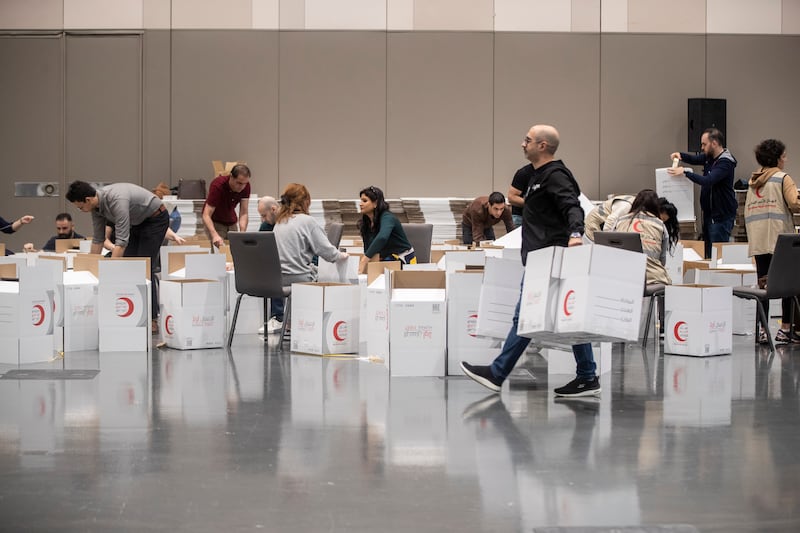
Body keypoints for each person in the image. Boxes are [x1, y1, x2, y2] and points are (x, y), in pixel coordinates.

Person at [461, 124, 600, 398]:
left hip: (549, 257)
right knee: (564, 318)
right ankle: (587, 376)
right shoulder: (535, 176)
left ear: (542, 146)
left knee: (524, 316)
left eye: (527, 140)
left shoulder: (556, 175)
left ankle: (497, 373)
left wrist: (575, 233)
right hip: (541, 256)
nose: (522, 144)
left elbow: (572, 205)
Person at [66, 180, 169, 331]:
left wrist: (109, 273)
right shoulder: (96, 208)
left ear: (88, 200)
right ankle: (134, 311)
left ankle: (152, 318)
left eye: (81, 207)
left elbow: (121, 242)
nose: (81, 210)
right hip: (137, 222)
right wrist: (89, 271)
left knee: (144, 268)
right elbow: (98, 239)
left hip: (155, 219)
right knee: (129, 265)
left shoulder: (117, 200)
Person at [744, 139, 800, 344]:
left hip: (759, 241)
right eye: (784, 156)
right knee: (788, 285)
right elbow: (794, 203)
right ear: (777, 158)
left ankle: (762, 329)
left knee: (764, 286)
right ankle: (785, 329)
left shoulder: (753, 182)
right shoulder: (782, 178)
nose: (785, 160)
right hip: (780, 240)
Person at [273, 183, 348, 318]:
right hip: (299, 278)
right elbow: (327, 253)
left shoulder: (279, 223)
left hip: (277, 279)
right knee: (334, 281)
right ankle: (327, 323)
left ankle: (290, 321)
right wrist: (342, 255)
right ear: (306, 201)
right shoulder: (308, 221)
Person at [668, 127, 737, 258]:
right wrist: (680, 155)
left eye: (704, 144)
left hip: (721, 216)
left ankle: (717, 277)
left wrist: (685, 173)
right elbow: (696, 159)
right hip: (709, 214)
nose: (702, 147)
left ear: (714, 143)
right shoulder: (710, 157)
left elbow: (708, 180)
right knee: (708, 253)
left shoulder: (725, 162)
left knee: (717, 255)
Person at [608, 189, 672, 285]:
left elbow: (610, 249)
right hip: (653, 279)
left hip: (623, 276)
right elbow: (662, 260)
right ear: (655, 206)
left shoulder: (620, 221)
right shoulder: (660, 225)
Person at [357, 186, 415, 274]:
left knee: (380, 274)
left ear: (375, 203)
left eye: (365, 201)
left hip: (402, 258)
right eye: (361, 200)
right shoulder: (366, 222)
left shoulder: (387, 217)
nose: (360, 204)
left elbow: (382, 237)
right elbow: (368, 249)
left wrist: (364, 260)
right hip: (384, 258)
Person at [202, 164, 251, 248]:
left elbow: (244, 212)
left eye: (244, 183)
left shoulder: (246, 186)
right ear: (231, 177)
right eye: (239, 183)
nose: (242, 187)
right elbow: (206, 214)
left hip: (231, 222)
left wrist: (242, 233)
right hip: (215, 222)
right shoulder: (218, 185)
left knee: (236, 251)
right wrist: (214, 235)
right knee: (219, 252)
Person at [256, 196, 284, 335]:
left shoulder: (290, 223)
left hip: (302, 264)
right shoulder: (266, 227)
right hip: (280, 264)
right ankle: (278, 316)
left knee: (275, 273)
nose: (263, 219)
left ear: (273, 209)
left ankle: (279, 316)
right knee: (273, 270)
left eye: (264, 215)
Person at [508, 164, 534, 229]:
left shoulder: (552, 173)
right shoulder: (524, 173)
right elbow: (511, 197)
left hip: (541, 216)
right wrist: (533, 204)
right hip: (520, 216)